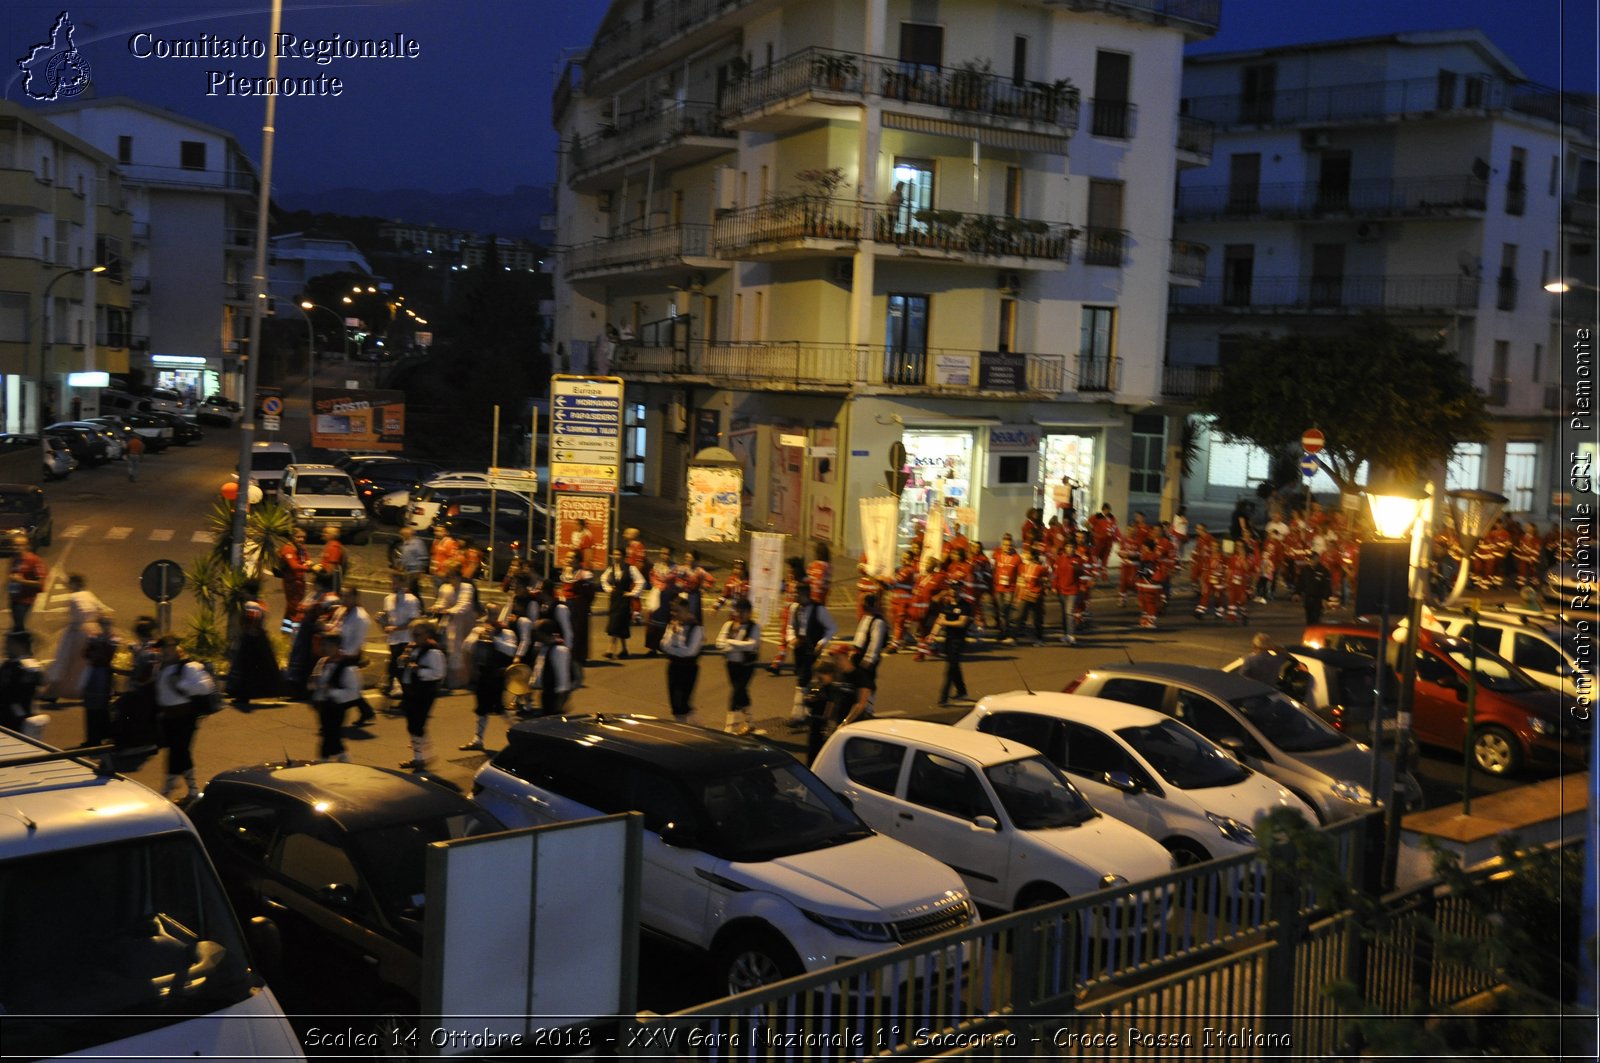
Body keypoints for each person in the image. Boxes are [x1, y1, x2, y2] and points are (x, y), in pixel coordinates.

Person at [153, 637, 214, 802]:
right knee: (179, 752)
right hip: (168, 717)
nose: (165, 651)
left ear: (177, 648)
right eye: (162, 648)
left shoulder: (187, 667)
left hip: (185, 717)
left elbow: (206, 686)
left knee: (177, 752)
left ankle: (168, 789)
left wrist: (181, 684)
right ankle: (192, 790)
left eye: (168, 647)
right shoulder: (161, 667)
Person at [43, 573, 109, 702]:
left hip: (76, 633)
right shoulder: (90, 595)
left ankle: (54, 692)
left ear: (74, 584)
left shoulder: (73, 597)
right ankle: (80, 689)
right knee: (82, 665)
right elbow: (102, 611)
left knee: (64, 661)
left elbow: (76, 615)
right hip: (93, 632)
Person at [461, 609, 517, 751]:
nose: (490, 617)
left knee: (500, 707)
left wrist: (495, 639)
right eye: (488, 613)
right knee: (481, 708)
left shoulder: (506, 632)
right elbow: (466, 647)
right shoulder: (478, 630)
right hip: (482, 674)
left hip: (497, 675)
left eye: (493, 613)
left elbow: (511, 651)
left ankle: (519, 732)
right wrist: (477, 636)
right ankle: (477, 739)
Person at [397, 620, 446, 771]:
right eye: (413, 633)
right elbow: (404, 670)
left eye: (418, 633)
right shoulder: (414, 649)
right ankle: (422, 756)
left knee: (417, 724)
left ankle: (421, 758)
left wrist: (418, 670)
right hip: (412, 690)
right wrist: (402, 662)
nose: (414, 636)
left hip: (425, 691)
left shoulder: (433, 652)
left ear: (428, 635)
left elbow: (438, 673)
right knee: (413, 725)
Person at [226, 581, 281, 709]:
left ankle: (242, 695)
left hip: (250, 639)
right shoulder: (262, 604)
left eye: (244, 591)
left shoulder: (251, 605)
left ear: (248, 592)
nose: (242, 593)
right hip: (260, 639)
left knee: (245, 668)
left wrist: (245, 632)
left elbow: (251, 621)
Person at [785, 593, 837, 728]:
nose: (797, 597)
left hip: (812, 649)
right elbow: (790, 626)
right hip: (798, 649)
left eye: (800, 594)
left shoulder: (818, 609)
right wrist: (791, 639)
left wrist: (822, 642)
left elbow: (832, 627)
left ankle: (797, 715)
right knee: (805, 680)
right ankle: (808, 711)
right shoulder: (794, 608)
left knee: (802, 681)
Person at [714, 598, 760, 735]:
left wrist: (730, 643)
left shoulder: (754, 627)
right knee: (741, 692)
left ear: (750, 612)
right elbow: (719, 644)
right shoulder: (728, 625)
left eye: (743, 612)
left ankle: (730, 727)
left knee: (736, 692)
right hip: (731, 665)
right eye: (738, 611)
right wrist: (737, 644)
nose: (740, 615)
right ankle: (750, 722)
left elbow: (752, 645)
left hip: (746, 666)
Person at [841, 594, 887, 726]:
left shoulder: (878, 622)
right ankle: (859, 708)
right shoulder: (866, 618)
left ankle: (867, 709)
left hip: (867, 658)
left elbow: (875, 642)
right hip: (859, 655)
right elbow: (859, 637)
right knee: (858, 683)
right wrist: (852, 653)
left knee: (868, 684)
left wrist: (869, 660)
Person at [378, 570, 423, 698]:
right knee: (395, 666)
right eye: (392, 582)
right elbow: (387, 619)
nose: (394, 585)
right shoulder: (388, 599)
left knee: (399, 667)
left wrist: (396, 628)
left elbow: (413, 620)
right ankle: (400, 691)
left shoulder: (411, 600)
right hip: (393, 639)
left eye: (397, 582)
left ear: (403, 583)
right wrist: (382, 622)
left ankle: (406, 694)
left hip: (406, 639)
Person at [431, 564, 477, 690]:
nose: (450, 581)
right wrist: (437, 607)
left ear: (458, 577)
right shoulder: (446, 588)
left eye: (452, 577)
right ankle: (448, 678)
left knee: (462, 649)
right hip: (451, 622)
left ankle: (462, 679)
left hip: (464, 621)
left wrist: (450, 611)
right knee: (449, 648)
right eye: (448, 577)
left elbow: (465, 604)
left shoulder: (467, 587)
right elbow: (442, 601)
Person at [661, 598, 703, 721]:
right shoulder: (672, 626)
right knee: (675, 704)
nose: (674, 614)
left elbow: (690, 651)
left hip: (688, 669)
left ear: (686, 611)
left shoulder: (696, 628)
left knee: (682, 703)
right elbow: (663, 645)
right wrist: (674, 640)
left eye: (677, 611)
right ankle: (694, 726)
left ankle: (685, 729)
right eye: (673, 611)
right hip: (673, 667)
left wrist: (673, 649)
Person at [0, 629, 46, 739]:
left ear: (20, 646)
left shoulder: (25, 667)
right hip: (15, 714)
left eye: (9, 644)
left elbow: (20, 693)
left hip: (16, 717)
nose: (5, 647)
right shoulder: (12, 664)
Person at [82, 616, 120, 745]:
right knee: (92, 708)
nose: (104, 626)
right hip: (95, 674)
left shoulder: (113, 640)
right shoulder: (95, 638)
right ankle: (93, 738)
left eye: (106, 624)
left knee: (102, 708)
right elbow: (86, 654)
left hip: (103, 674)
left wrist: (95, 649)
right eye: (102, 624)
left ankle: (102, 737)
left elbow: (108, 657)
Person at [932, 584, 972, 706]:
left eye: (956, 589)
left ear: (961, 591)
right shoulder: (947, 605)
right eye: (952, 589)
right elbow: (939, 620)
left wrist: (945, 622)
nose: (953, 592)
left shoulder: (965, 606)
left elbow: (961, 623)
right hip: (948, 640)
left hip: (958, 640)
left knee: (950, 669)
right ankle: (962, 691)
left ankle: (943, 698)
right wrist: (932, 634)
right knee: (954, 666)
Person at [601, 548, 644, 659]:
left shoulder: (630, 568)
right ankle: (624, 649)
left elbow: (641, 581)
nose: (616, 556)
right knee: (620, 623)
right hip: (614, 598)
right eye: (614, 554)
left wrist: (632, 593)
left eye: (618, 554)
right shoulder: (612, 568)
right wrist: (608, 588)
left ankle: (611, 648)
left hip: (624, 599)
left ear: (624, 556)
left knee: (617, 622)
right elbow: (603, 578)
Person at [529, 618, 573, 716]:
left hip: (555, 701)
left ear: (543, 633)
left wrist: (558, 707)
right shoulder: (544, 647)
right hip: (547, 696)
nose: (534, 634)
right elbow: (539, 669)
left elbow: (563, 682)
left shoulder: (559, 650)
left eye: (536, 631)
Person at [8, 534, 47, 632]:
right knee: (17, 623)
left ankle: (23, 642)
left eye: (20, 545)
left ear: (27, 546)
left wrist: (22, 581)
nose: (16, 547)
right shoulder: (15, 558)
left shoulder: (34, 560)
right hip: (14, 597)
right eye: (14, 545)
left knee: (19, 625)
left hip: (25, 600)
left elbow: (40, 583)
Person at [278, 528, 311, 626]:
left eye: (303, 537)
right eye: (298, 537)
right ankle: (296, 632)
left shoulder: (301, 548)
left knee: (291, 608)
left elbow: (307, 559)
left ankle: (286, 631)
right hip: (291, 582)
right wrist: (309, 568)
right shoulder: (288, 549)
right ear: (292, 537)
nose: (301, 539)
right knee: (296, 608)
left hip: (300, 581)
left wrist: (309, 563)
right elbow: (294, 566)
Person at [1298, 555, 1334, 626]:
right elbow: (1300, 582)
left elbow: (1327, 586)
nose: (1311, 561)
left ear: (1317, 560)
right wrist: (1297, 593)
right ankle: (1310, 631)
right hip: (1308, 599)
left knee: (1316, 619)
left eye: (1313, 560)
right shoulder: (1305, 570)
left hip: (1318, 600)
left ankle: (1314, 632)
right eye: (1310, 560)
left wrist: (1325, 598)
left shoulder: (1323, 571)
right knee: (1309, 618)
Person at [393, 526, 430, 593]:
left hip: (415, 570)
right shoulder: (405, 543)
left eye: (403, 534)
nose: (401, 536)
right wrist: (400, 566)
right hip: (407, 570)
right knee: (409, 590)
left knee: (413, 589)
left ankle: (417, 602)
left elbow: (423, 557)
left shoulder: (417, 543)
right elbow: (403, 557)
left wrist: (421, 570)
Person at [319, 527, 347, 592]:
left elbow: (330, 570)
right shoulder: (329, 545)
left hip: (329, 583)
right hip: (327, 582)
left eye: (326, 533)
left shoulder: (334, 547)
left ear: (332, 535)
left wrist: (317, 572)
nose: (323, 534)